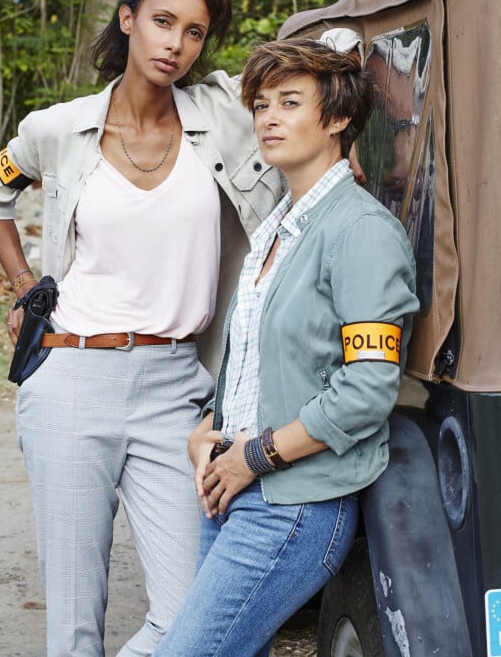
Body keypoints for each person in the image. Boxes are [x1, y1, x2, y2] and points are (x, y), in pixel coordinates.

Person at [0, 0, 284, 657]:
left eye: (195, 32)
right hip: (71, 379)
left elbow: (310, 71)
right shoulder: (60, 127)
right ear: (129, 18)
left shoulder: (223, 116)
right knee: (74, 629)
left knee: (189, 617)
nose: (175, 43)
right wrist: (24, 283)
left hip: (176, 386)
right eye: (163, 21)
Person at [153, 37, 420, 657]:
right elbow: (259, 363)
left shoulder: (361, 232)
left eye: (289, 102)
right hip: (232, 487)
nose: (267, 117)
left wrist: (260, 455)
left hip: (295, 505)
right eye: (261, 103)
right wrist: (208, 427)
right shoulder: (277, 229)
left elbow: (367, 389)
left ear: (336, 118)